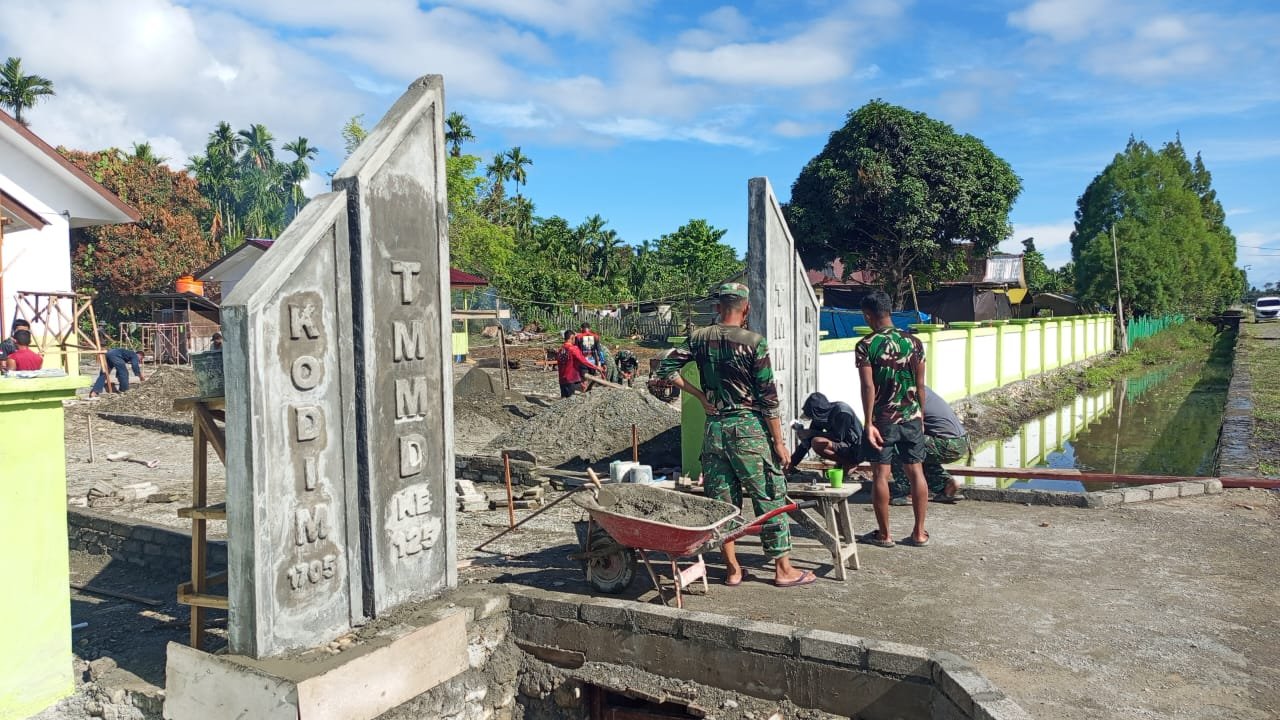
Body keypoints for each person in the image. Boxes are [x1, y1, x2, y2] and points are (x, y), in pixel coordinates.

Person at [657, 282, 814, 588]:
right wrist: (779, 442)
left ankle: (732, 569)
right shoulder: (754, 342)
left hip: (714, 431)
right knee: (769, 496)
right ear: (746, 309)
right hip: (748, 431)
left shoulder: (698, 338)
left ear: (718, 307)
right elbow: (768, 399)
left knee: (722, 503)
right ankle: (783, 569)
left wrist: (699, 395)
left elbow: (666, 368)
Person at [855, 290, 930, 548]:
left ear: (868, 316)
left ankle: (884, 535)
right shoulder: (915, 343)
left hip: (883, 420)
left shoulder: (866, 345)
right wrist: (921, 414)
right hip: (911, 415)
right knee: (916, 471)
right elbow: (920, 384)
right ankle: (919, 533)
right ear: (889, 311)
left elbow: (868, 387)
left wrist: (868, 423)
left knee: (880, 474)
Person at [889, 386, 970, 506]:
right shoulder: (919, 388)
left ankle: (906, 492)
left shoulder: (905, 393)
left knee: (899, 445)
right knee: (919, 451)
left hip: (947, 443)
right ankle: (946, 485)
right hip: (960, 442)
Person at [789, 392, 863, 471]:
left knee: (817, 442)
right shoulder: (820, 418)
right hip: (843, 446)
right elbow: (809, 439)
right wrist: (791, 463)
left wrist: (812, 432)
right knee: (813, 440)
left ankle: (850, 463)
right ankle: (844, 463)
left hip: (856, 448)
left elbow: (837, 437)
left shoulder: (842, 412)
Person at [557, 329, 601, 398]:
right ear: (572, 337)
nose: (575, 340)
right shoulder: (573, 349)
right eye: (574, 338)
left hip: (562, 380)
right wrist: (596, 367)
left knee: (564, 401)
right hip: (571, 380)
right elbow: (583, 361)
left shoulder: (560, 350)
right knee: (571, 400)